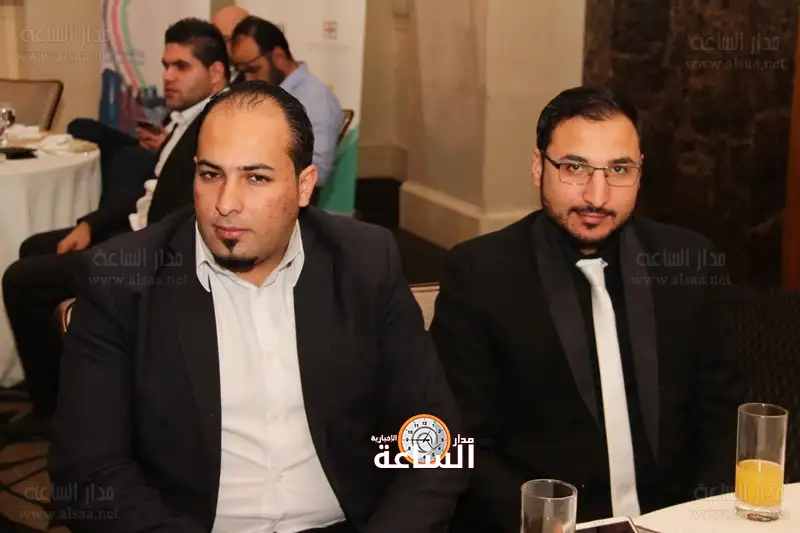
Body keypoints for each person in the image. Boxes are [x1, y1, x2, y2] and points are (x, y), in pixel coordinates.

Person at [48, 80, 469, 533]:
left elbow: (435, 438)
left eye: (257, 178)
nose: (226, 204)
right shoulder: (122, 280)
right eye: (211, 175)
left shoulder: (365, 263)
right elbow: (89, 472)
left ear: (304, 186)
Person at [430, 86, 742, 531]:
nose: (597, 195)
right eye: (575, 168)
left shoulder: (688, 262)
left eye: (619, 169)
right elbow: (460, 441)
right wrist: (543, 521)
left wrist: (702, 519)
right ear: (538, 166)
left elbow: (722, 416)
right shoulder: (481, 274)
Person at [1, 17, 229, 438]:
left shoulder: (218, 126)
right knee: (35, 247)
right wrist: (91, 225)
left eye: (181, 66)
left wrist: (114, 249)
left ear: (216, 73)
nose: (167, 76)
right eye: (165, 65)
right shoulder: (189, 117)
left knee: (19, 279)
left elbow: (187, 218)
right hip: (140, 233)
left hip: (159, 258)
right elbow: (151, 192)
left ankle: (54, 412)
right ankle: (66, 384)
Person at [231, 16, 344, 190]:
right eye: (241, 71)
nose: (248, 79)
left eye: (254, 69)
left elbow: (318, 172)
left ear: (279, 57)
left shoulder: (314, 98)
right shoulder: (265, 93)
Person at [211, 4, 249, 84]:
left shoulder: (255, 78)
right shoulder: (206, 71)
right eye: (221, 39)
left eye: (226, 39)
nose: (227, 46)